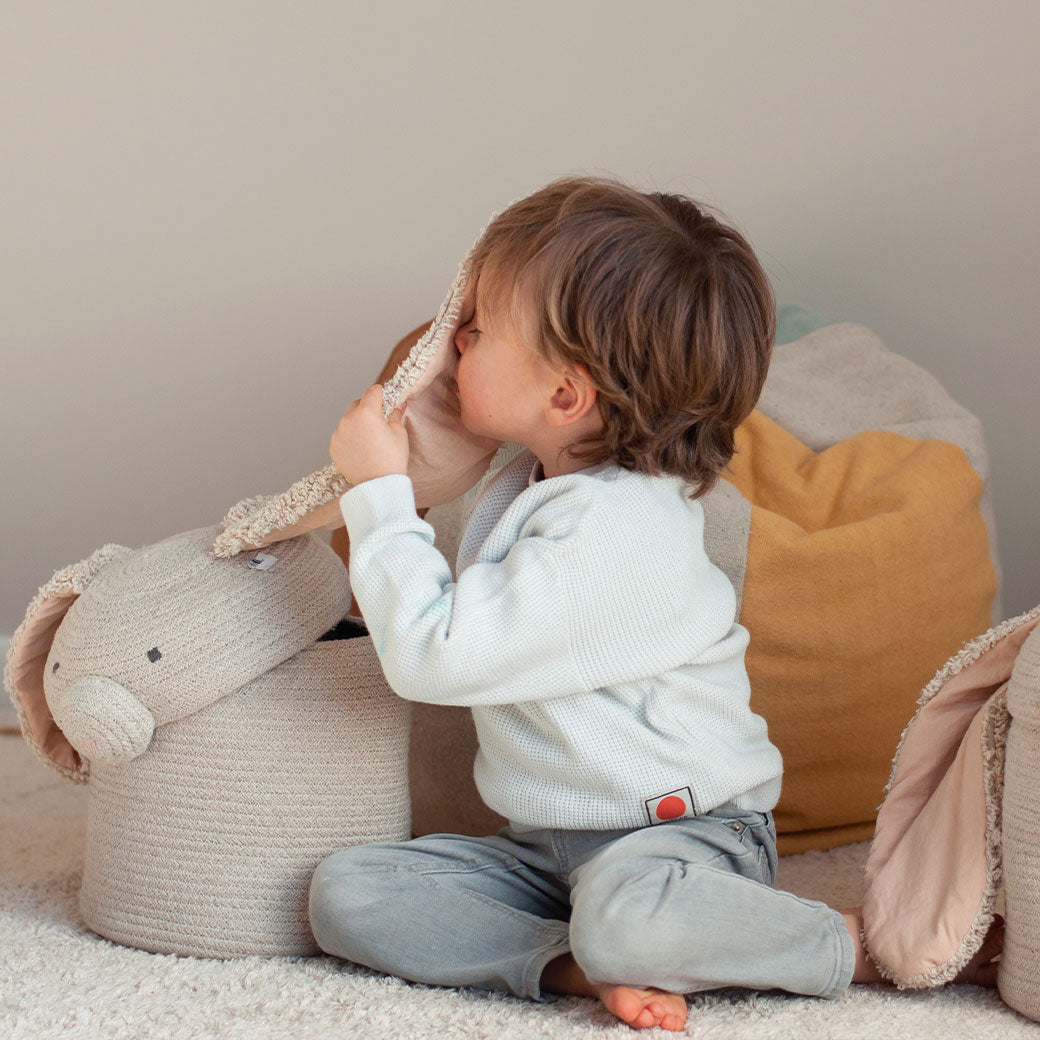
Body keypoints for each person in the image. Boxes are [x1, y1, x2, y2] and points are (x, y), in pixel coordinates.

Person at [310, 176, 1001, 1031]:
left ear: (566, 396)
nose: (455, 340)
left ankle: (852, 945)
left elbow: (431, 653)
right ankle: (581, 967)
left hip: (683, 841)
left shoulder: (618, 530)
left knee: (629, 914)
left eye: (479, 329)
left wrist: (379, 492)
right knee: (351, 894)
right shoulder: (539, 479)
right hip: (546, 847)